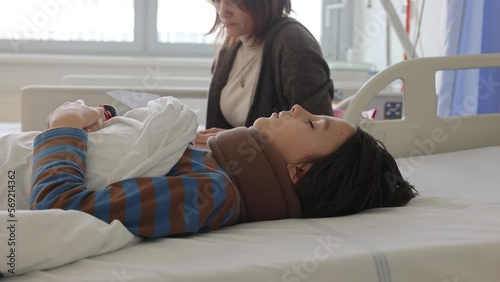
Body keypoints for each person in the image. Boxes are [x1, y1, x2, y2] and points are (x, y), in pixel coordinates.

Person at [30, 100, 417, 239]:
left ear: (299, 172)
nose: (298, 109)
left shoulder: (212, 195)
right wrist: (103, 117)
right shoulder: (223, 154)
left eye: (313, 124)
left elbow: (61, 207)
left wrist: (64, 124)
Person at [196, 0, 334, 148]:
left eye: (234, 1)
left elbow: (318, 137)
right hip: (235, 164)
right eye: (217, 1)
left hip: (274, 169)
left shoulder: (294, 43)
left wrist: (239, 141)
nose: (222, 12)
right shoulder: (231, 46)